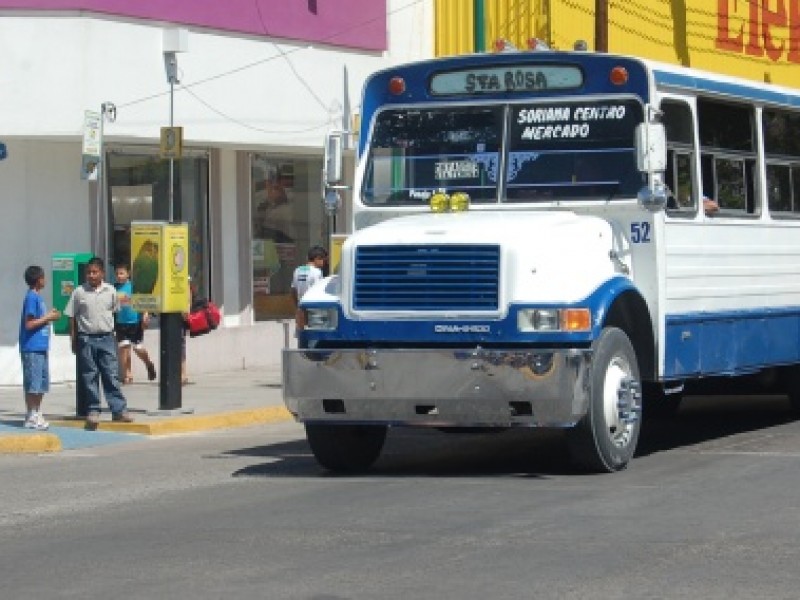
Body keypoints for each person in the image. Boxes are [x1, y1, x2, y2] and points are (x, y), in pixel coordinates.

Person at [64, 256, 134, 427]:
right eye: (89, 272)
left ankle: (118, 410)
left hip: (107, 338)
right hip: (86, 339)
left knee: (111, 374)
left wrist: (116, 336)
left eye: (95, 272)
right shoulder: (79, 292)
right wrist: (73, 339)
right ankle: (93, 410)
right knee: (90, 376)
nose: (91, 275)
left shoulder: (110, 291)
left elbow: (115, 314)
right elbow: (72, 317)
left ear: (102, 273)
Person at [18, 265, 60, 430]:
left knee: (41, 383)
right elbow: (29, 324)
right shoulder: (31, 298)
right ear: (38, 280)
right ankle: (31, 415)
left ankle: (36, 412)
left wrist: (48, 316)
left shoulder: (38, 298)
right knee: (33, 383)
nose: (45, 280)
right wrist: (47, 317)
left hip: (41, 346)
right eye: (43, 277)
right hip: (31, 347)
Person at [114, 263, 157, 384]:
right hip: (120, 323)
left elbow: (145, 301)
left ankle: (148, 364)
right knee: (124, 348)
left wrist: (145, 315)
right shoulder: (114, 288)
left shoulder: (135, 287)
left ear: (128, 274)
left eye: (122, 273)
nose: (119, 276)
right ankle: (128, 375)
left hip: (135, 322)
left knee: (137, 348)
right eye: (117, 274)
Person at [291, 246, 326, 332]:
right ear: (317, 259)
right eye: (323, 260)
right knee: (314, 334)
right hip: (313, 309)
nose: (324, 262)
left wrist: (297, 307)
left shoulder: (297, 270)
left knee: (302, 335)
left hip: (301, 308)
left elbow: (293, 290)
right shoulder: (317, 272)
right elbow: (319, 291)